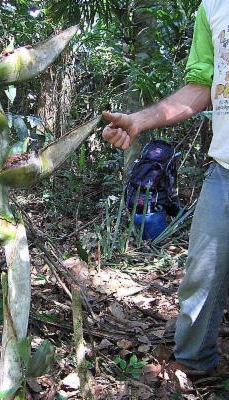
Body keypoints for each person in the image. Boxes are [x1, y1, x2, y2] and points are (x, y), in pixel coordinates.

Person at [102, 0, 229, 375]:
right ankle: (194, 364)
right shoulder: (213, 7)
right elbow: (201, 85)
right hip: (224, 171)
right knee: (201, 276)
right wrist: (139, 120)